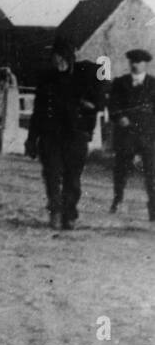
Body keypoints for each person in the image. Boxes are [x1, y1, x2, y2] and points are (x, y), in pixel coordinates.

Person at [26, 34, 104, 230]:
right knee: (51, 175)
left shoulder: (84, 75)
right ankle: (55, 211)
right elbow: (37, 111)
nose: (58, 61)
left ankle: (69, 214)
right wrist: (31, 140)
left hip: (75, 136)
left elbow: (100, 99)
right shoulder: (46, 80)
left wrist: (91, 108)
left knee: (73, 179)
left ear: (70, 58)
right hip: (50, 136)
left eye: (62, 57)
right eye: (55, 57)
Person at [108, 48, 155, 219]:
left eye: (139, 62)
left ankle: (153, 208)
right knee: (121, 169)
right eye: (133, 62)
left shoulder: (153, 84)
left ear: (145, 64)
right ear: (130, 63)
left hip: (148, 135)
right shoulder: (120, 83)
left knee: (152, 172)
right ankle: (118, 199)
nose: (136, 65)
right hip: (126, 134)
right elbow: (112, 106)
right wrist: (119, 117)